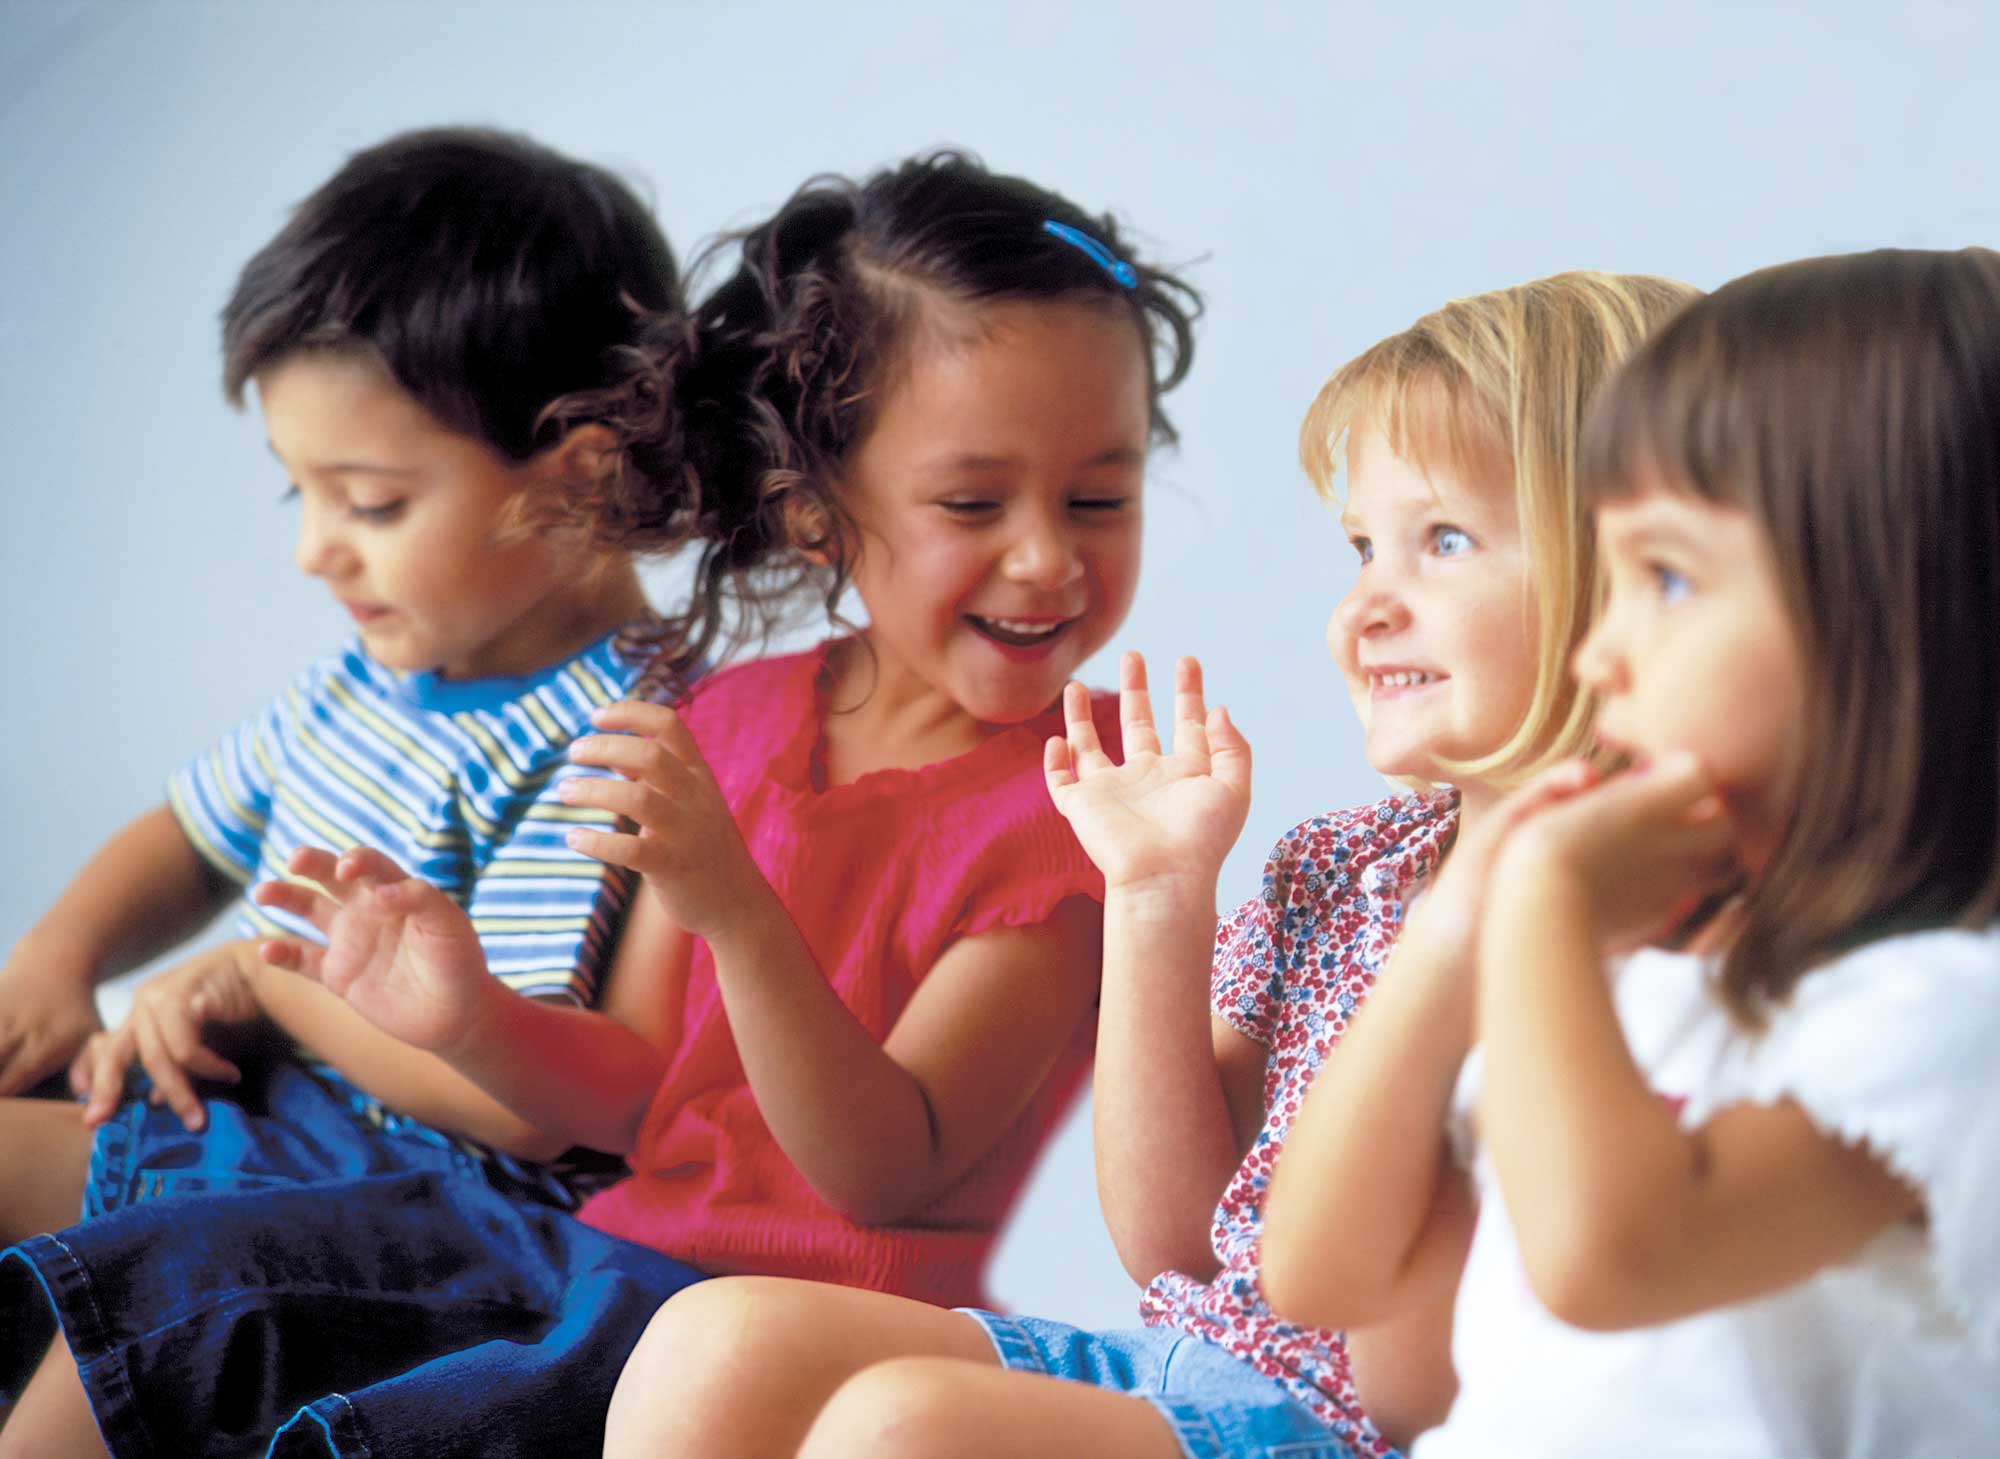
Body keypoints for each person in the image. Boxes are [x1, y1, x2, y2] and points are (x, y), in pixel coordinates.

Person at [0, 150, 1202, 1459]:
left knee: (218, 1349)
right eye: (974, 501)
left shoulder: (1085, 813)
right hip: (582, 1246)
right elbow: (629, 1089)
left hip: (775, 1329)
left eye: (1102, 496)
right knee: (152, 1317)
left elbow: (889, 1168)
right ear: (813, 514)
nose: (1047, 555)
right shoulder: (734, 719)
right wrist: (472, 1015)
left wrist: (740, 910)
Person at [597, 270, 1696, 1459]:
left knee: (905, 1432)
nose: (1368, 604)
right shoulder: (1336, 868)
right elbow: (1178, 1241)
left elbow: (1433, 1372)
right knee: (715, 1341)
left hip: (1387, 1428)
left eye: (1442, 540)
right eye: (1361, 548)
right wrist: (1156, 893)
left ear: (1643, 573)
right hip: (1202, 1364)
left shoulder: (1668, 914)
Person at [0, 119, 691, 1417]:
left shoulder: (621, 734)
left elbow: (524, 1097)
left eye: (370, 503)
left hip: (418, 1195)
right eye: (297, 494)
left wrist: (267, 977)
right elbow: (194, 831)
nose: (319, 550)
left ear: (583, 478)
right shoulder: (372, 678)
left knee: (93, 1381)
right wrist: (57, 958)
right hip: (254, 1117)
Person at [1262, 247, 2000, 1458]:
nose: (1597, 656)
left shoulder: (1940, 1009)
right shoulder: (1626, 970)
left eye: (1662, 580)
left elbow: (1612, 1254)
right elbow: (1320, 1273)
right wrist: (1456, 929)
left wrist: (1540, 901)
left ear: (1891, 626)